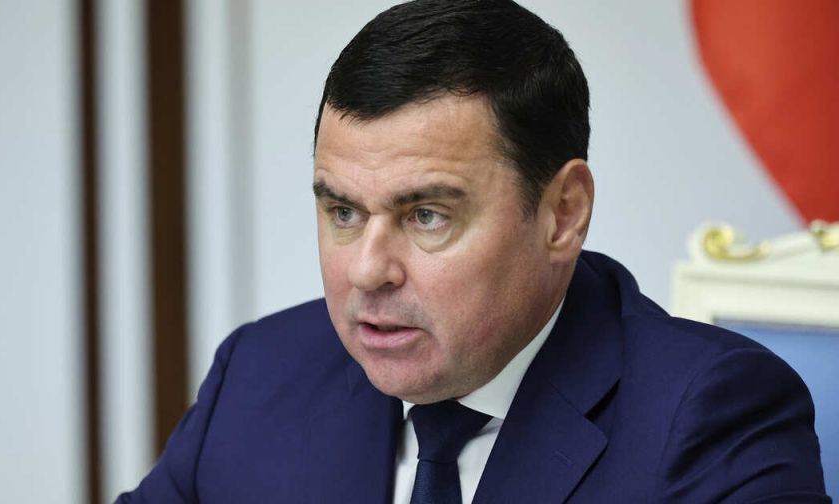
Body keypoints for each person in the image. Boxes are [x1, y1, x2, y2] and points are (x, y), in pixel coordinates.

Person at [117, 1, 829, 502]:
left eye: (426, 216)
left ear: (563, 213)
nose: (367, 270)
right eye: (343, 212)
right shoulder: (261, 374)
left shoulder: (709, 416)